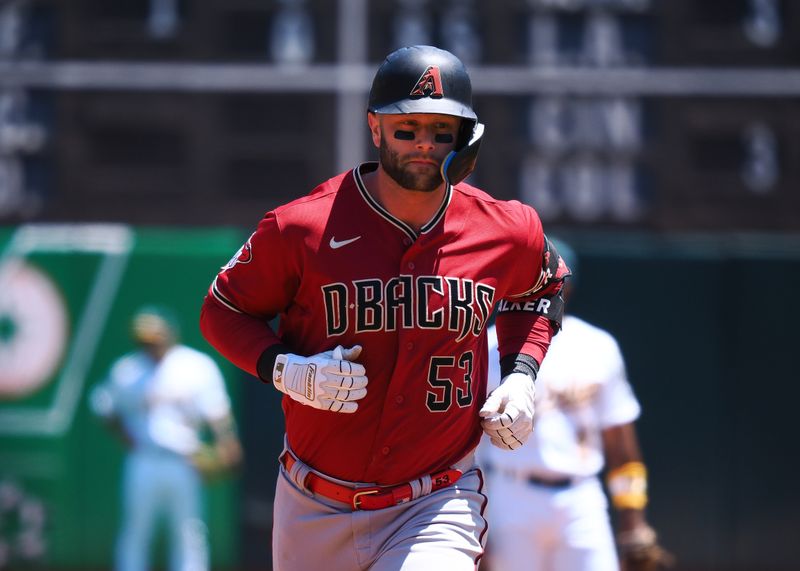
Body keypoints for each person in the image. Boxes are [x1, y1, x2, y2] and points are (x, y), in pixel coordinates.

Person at [199, 44, 570, 571]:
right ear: (375, 128)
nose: (424, 144)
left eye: (442, 131)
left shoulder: (506, 228)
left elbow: (543, 291)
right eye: (407, 128)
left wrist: (520, 374)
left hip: (436, 500)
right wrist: (286, 368)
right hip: (312, 503)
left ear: (466, 138)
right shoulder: (302, 227)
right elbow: (222, 311)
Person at [478, 239, 672, 571]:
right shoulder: (489, 342)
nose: (544, 285)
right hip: (510, 492)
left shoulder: (597, 346)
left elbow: (621, 443)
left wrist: (632, 522)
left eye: (551, 277)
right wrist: (478, 526)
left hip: (581, 497)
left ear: (567, 284)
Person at [90, 305, 243, 571]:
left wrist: (227, 444)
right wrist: (127, 437)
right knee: (136, 529)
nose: (151, 344)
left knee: (189, 532)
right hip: (144, 458)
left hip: (185, 460)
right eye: (145, 340)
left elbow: (218, 412)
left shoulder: (194, 366)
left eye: (155, 337)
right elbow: (104, 406)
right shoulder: (128, 369)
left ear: (170, 334)